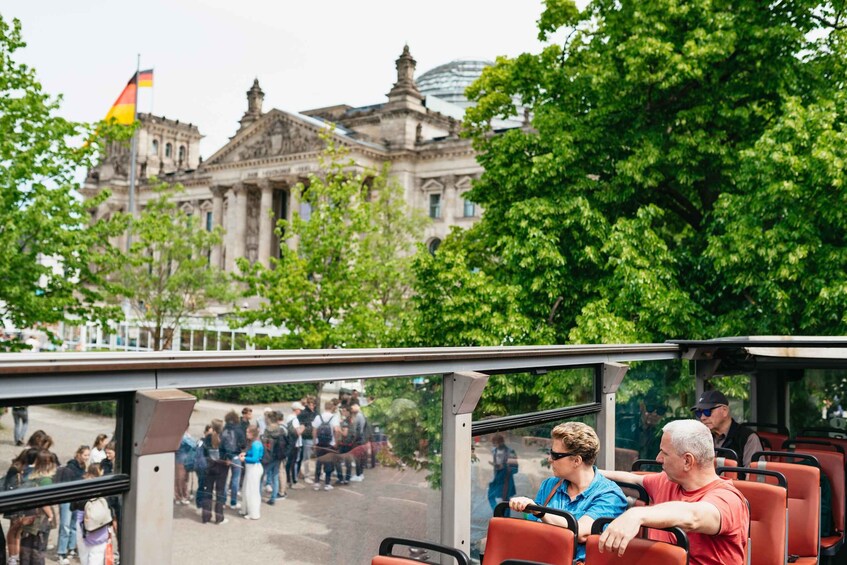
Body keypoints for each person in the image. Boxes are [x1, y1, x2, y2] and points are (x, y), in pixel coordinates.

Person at [599, 420, 749, 565]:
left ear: (687, 461)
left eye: (664, 453)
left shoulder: (728, 500)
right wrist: (591, 473)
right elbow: (632, 481)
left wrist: (635, 515)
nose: (658, 459)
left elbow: (693, 517)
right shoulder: (668, 481)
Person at [509, 422, 627, 564]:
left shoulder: (611, 496)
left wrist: (540, 512)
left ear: (576, 460)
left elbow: (581, 532)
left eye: (555, 455)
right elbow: (533, 529)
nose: (549, 459)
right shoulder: (550, 485)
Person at [693, 390, 763, 466]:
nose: (702, 417)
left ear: (724, 410)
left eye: (707, 411)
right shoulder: (701, 438)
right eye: (698, 413)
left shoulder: (747, 438)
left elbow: (754, 472)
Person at [56, 445, 90, 565]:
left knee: (75, 525)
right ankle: (61, 552)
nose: (87, 457)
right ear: (79, 454)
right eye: (85, 455)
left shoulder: (83, 467)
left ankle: (71, 548)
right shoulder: (70, 468)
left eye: (88, 455)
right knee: (65, 526)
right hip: (67, 500)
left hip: (78, 500)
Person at [201, 419, 228, 525]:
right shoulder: (225, 438)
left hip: (209, 468)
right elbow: (228, 453)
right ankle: (219, 518)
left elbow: (203, 453)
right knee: (220, 493)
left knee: (207, 492)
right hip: (222, 468)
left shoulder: (207, 438)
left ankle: (206, 517)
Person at [312, 401, 340, 491]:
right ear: (332, 407)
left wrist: (314, 442)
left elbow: (314, 430)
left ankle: (316, 483)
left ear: (324, 407)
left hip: (319, 443)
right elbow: (336, 430)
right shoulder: (334, 417)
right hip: (330, 444)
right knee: (328, 463)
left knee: (319, 462)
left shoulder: (318, 417)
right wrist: (336, 442)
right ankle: (327, 484)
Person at [222, 410, 246, 510]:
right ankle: (233, 502)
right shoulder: (239, 430)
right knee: (235, 479)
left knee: (224, 480)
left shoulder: (224, 429)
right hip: (236, 457)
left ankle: (222, 501)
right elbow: (243, 444)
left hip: (225, 457)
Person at [239, 425, 263, 520]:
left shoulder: (255, 444)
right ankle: (246, 509)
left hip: (254, 469)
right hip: (252, 469)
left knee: (252, 491)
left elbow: (255, 459)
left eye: (248, 432)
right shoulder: (255, 442)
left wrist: (244, 458)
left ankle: (253, 513)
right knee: (246, 489)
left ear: (253, 433)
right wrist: (245, 454)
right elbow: (252, 454)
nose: (246, 434)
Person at [487, 434, 517, 511]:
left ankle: (505, 516)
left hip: (506, 478)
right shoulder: (494, 451)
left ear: (501, 442)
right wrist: (496, 465)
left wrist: (504, 467)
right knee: (490, 495)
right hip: (497, 476)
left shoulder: (510, 451)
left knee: (505, 499)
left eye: (496, 443)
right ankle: (497, 511)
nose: (495, 445)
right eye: (494, 443)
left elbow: (515, 468)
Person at [285, 402, 305, 490]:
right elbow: (298, 432)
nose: (300, 411)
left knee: (289, 462)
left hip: (290, 442)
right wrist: (303, 427)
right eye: (299, 409)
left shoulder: (288, 418)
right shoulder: (295, 419)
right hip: (295, 443)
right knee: (294, 462)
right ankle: (294, 481)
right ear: (296, 410)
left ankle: (288, 480)